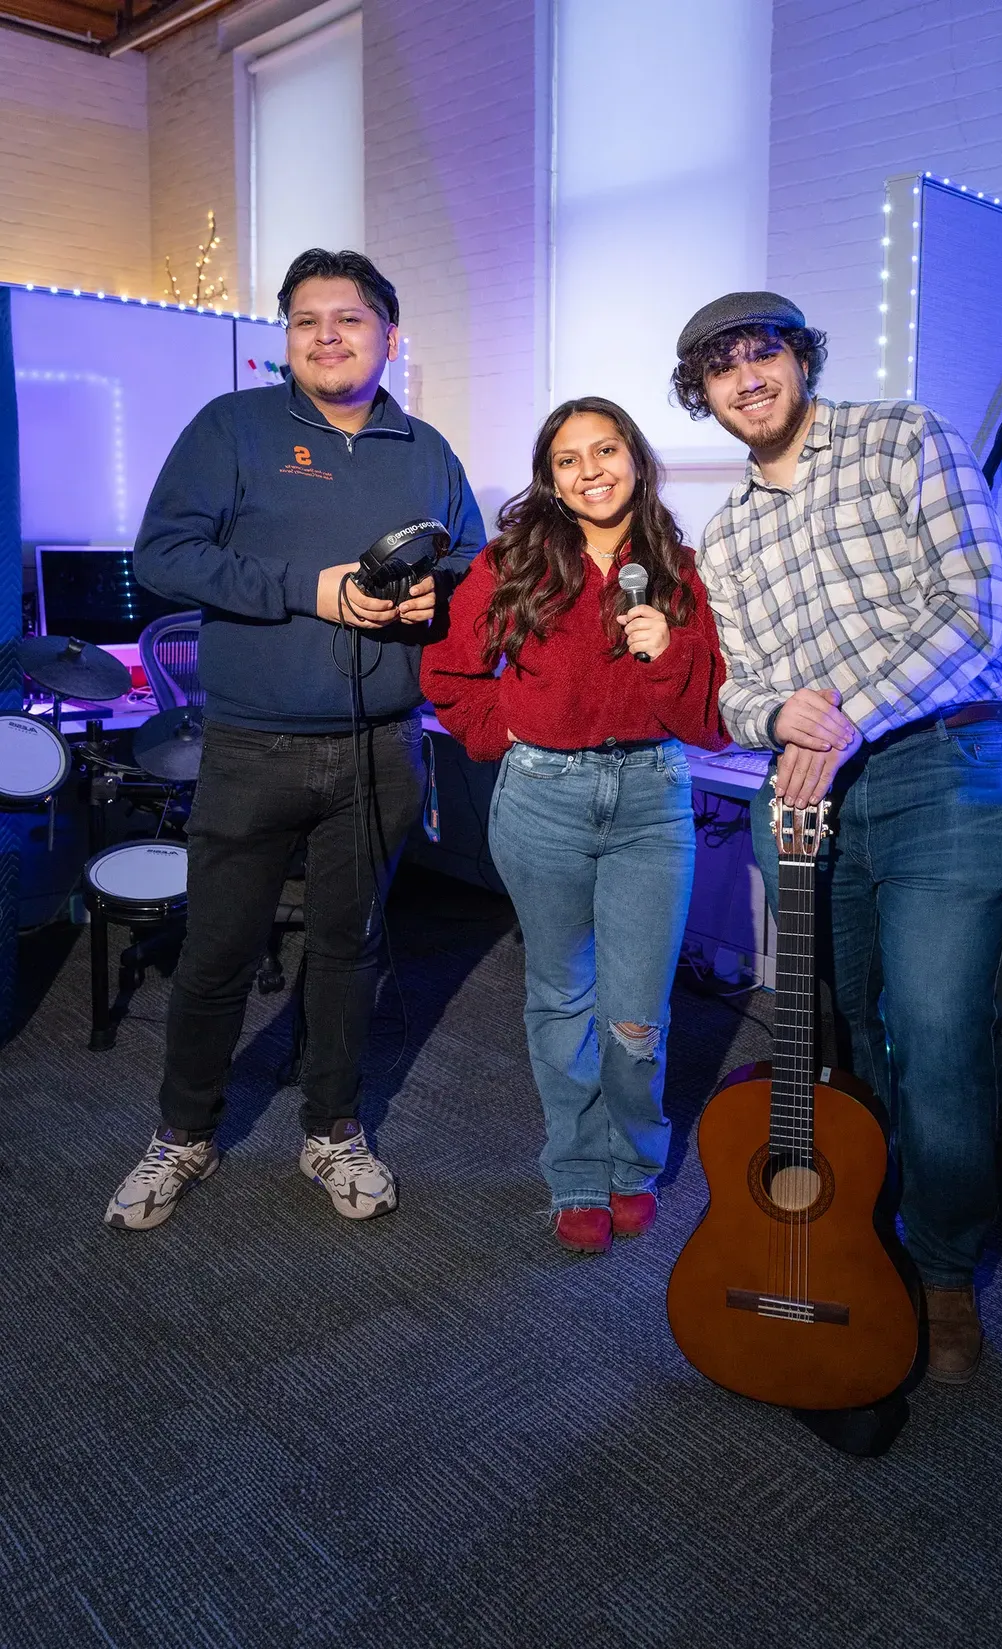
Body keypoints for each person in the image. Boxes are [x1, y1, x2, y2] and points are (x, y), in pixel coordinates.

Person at [672, 290, 1002, 1383]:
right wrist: (779, 718)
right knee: (837, 1037)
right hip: (816, 787)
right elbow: (737, 693)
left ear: (797, 358)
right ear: (704, 394)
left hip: (941, 763)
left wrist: (847, 715)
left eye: (760, 350)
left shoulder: (900, 438)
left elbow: (975, 604)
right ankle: (851, 1229)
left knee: (934, 1030)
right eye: (718, 366)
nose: (745, 376)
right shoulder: (724, 534)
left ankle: (943, 1269)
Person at [105, 248, 484, 1231]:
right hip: (250, 746)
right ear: (286, 338)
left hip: (378, 750)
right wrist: (305, 588)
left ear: (386, 336)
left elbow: (474, 574)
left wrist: (428, 602)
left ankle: (334, 1129)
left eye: (347, 318)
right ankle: (182, 1132)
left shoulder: (426, 448)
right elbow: (165, 555)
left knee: (349, 952)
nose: (325, 333)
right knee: (218, 951)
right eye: (305, 318)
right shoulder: (233, 427)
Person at [421, 397, 727, 1254]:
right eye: (567, 458)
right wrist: (503, 729)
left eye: (605, 449)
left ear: (635, 458)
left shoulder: (680, 570)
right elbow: (448, 670)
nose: (589, 469)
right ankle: (578, 1169)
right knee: (561, 998)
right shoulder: (512, 562)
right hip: (541, 797)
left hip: (651, 798)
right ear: (549, 477)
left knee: (636, 1014)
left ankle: (634, 1158)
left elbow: (711, 716)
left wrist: (669, 649)